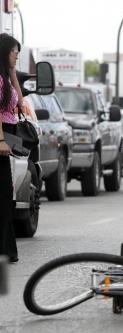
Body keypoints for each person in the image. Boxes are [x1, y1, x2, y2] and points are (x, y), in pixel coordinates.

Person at [0, 33, 24, 264]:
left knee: (6, 197)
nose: (16, 55)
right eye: (13, 51)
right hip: (0, 142)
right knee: (4, 195)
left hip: (6, 140)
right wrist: (0, 141)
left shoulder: (5, 78)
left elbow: (21, 104)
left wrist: (13, 75)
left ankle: (7, 249)